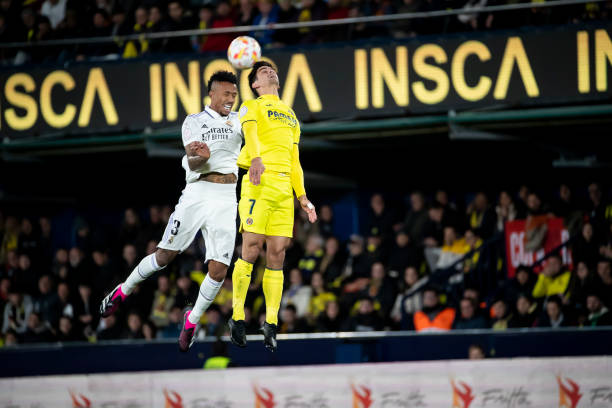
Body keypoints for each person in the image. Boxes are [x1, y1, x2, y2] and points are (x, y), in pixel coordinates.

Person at [100, 71, 243, 352]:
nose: (230, 99)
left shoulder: (240, 121)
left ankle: (192, 320)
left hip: (227, 197)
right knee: (164, 256)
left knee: (219, 270)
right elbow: (192, 159)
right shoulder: (194, 121)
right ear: (212, 94)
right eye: (226, 94)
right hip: (197, 193)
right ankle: (123, 290)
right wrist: (197, 157)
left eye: (234, 95)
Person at [229, 61, 317, 352]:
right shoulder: (251, 106)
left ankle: (271, 323)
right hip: (259, 181)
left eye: (271, 70)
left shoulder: (291, 115)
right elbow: (251, 135)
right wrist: (255, 159)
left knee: (277, 255)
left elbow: (295, 161)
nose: (270, 72)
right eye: (262, 72)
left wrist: (302, 196)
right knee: (252, 247)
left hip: (283, 190)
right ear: (255, 84)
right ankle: (238, 316)